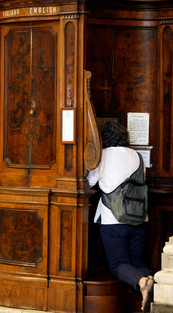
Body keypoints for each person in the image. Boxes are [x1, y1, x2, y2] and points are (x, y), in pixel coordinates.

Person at [87, 120, 153, 313]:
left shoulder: (103, 155)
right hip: (141, 219)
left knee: (118, 265)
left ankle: (143, 282)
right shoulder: (137, 156)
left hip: (113, 220)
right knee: (137, 262)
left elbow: (90, 181)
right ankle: (149, 290)